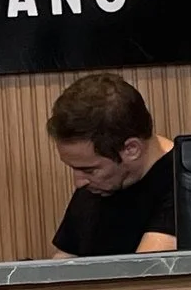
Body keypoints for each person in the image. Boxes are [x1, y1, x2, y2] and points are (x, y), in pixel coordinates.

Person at [46, 73, 178, 256]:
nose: (78, 182)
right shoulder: (95, 184)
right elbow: (65, 263)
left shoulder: (183, 185)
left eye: (89, 170)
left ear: (131, 149)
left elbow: (146, 276)